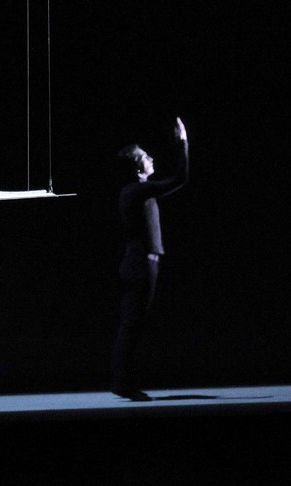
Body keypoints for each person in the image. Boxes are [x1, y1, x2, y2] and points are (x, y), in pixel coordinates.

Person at [110, 116, 189, 400]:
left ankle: (123, 381)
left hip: (142, 264)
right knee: (131, 324)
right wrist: (183, 141)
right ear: (136, 166)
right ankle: (122, 383)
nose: (151, 158)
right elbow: (180, 178)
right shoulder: (135, 191)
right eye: (145, 156)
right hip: (140, 265)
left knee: (133, 324)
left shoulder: (136, 191)